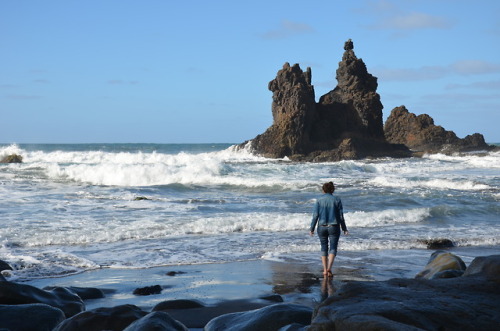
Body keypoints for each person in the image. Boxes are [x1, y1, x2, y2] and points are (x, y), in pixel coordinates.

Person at [310, 181, 348, 277]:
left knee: (323, 247)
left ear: (323, 190)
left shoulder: (319, 200)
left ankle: (324, 270)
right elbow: (341, 216)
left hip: (321, 227)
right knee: (333, 248)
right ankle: (329, 269)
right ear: (332, 190)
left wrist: (312, 228)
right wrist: (344, 228)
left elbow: (315, 216)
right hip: (334, 226)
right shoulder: (337, 200)